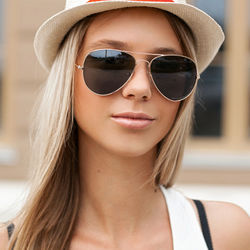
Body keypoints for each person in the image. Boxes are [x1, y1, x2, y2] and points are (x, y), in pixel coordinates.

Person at [1, 0, 250, 249]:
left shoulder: (227, 235)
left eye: (168, 68)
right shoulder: (11, 243)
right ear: (67, 78)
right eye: (110, 62)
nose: (140, 88)